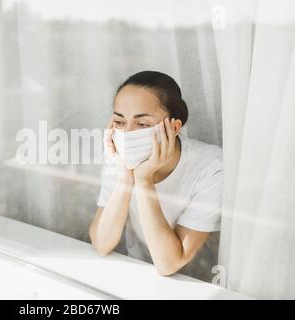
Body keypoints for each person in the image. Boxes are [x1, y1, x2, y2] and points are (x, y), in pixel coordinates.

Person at [89, 71, 222, 279]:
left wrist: (144, 180)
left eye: (142, 124)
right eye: (119, 121)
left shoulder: (211, 168)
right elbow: (101, 243)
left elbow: (168, 264)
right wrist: (125, 175)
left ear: (174, 127)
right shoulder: (117, 155)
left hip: (199, 283)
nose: (128, 133)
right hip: (140, 275)